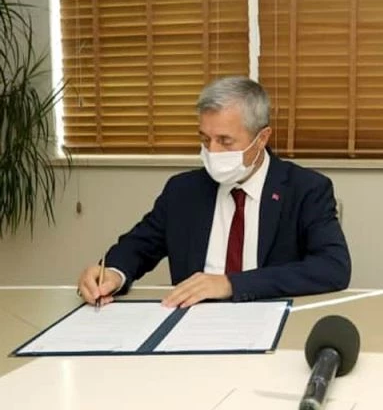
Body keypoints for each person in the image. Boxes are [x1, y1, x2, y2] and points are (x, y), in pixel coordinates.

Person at [77, 76, 351, 307]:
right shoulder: (183, 191)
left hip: (269, 319)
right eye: (205, 139)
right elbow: (139, 246)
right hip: (191, 324)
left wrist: (231, 284)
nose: (212, 151)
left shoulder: (305, 189)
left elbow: (332, 267)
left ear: (262, 138)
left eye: (225, 141)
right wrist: (112, 273)